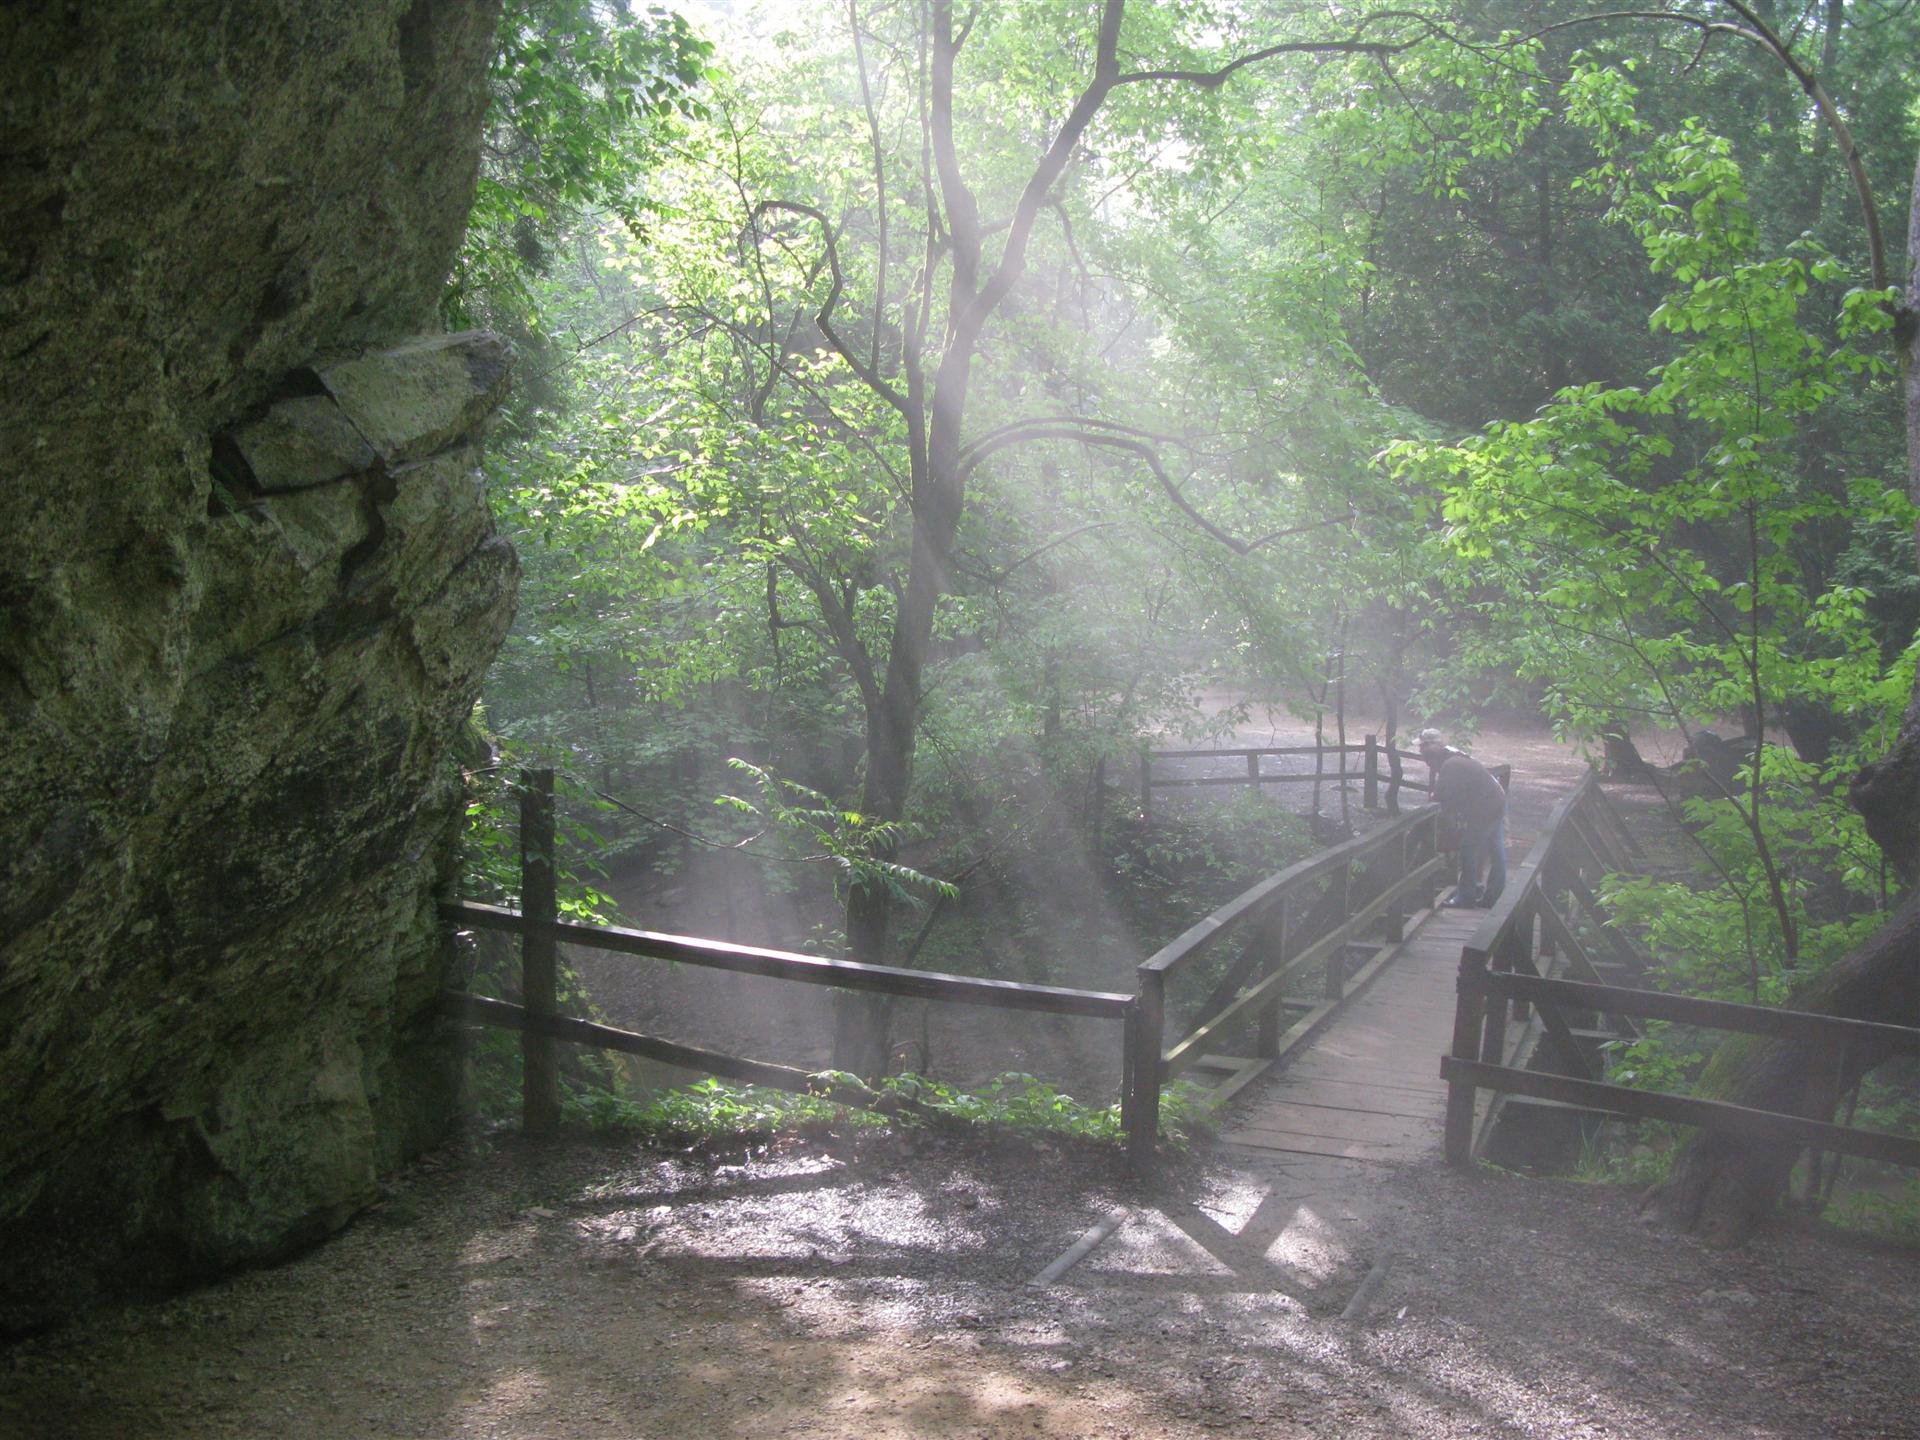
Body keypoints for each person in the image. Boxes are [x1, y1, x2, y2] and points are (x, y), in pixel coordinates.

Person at [1418, 730, 1507, 908]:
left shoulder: (1450, 765)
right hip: (1496, 800)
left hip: (1486, 808)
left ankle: (1466, 896)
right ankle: (1492, 895)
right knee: (1496, 850)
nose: (1429, 765)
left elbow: (1446, 797)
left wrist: (1437, 804)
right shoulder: (1453, 755)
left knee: (1469, 850)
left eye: (1426, 758)